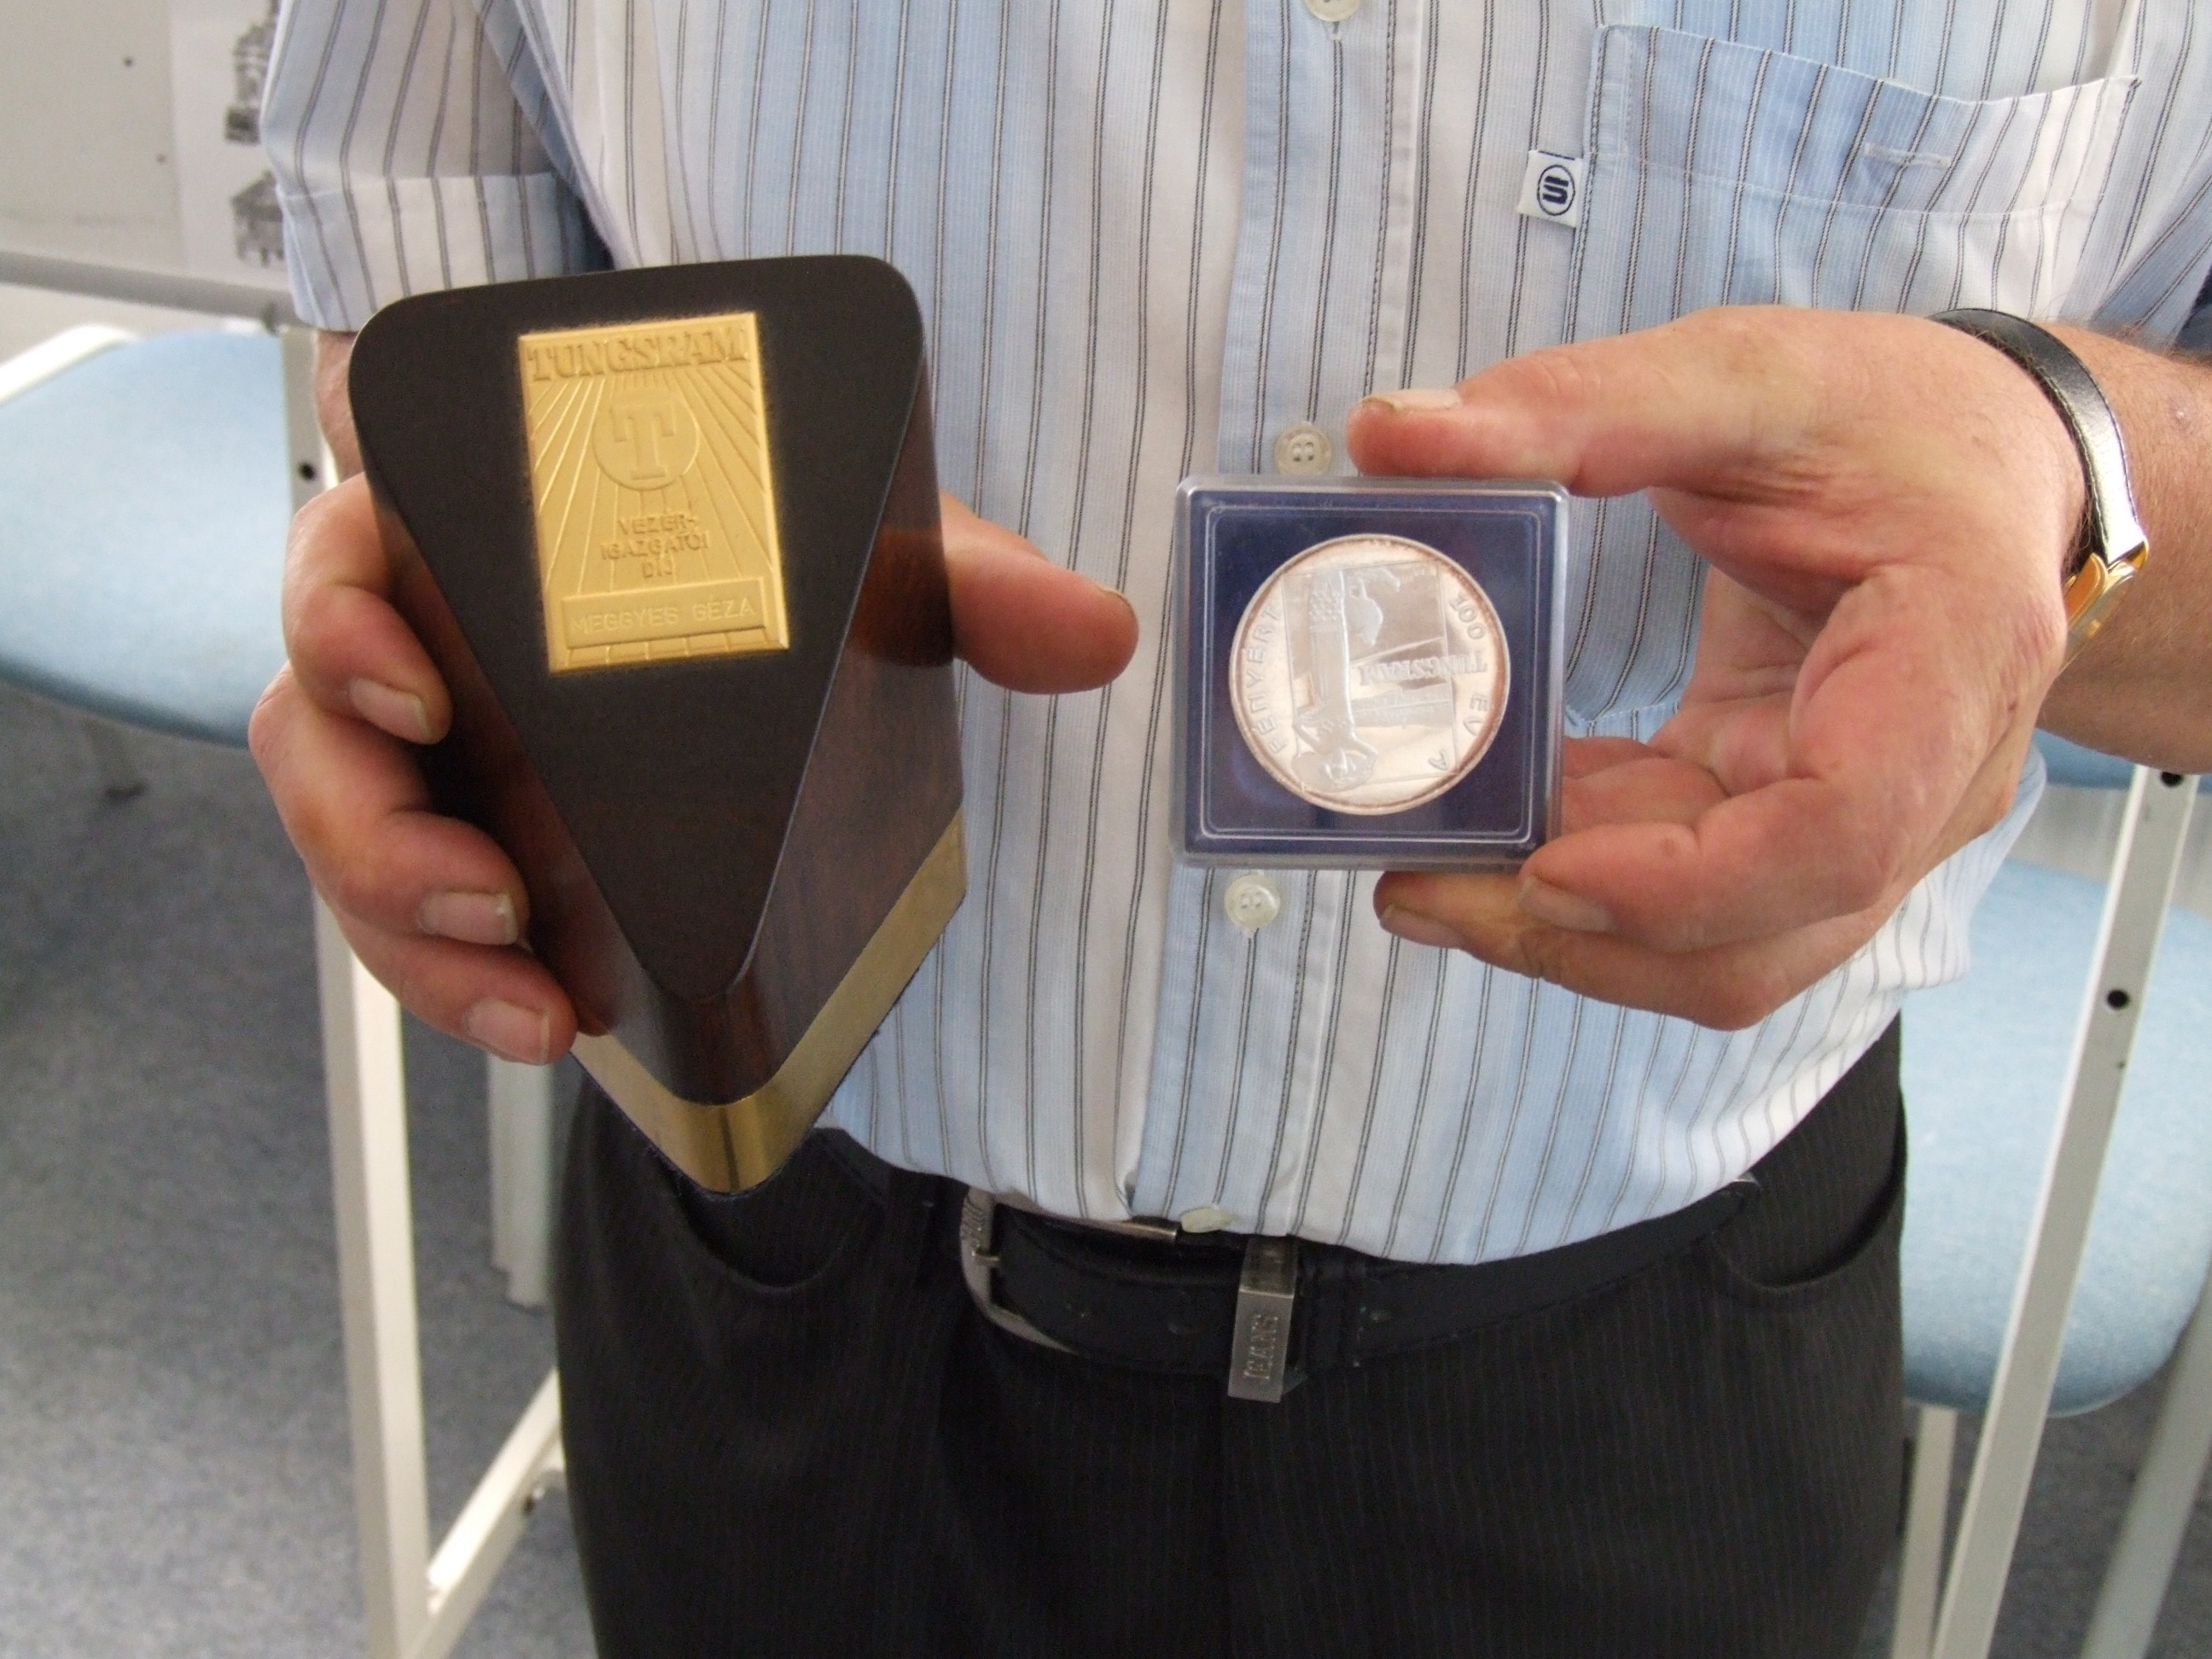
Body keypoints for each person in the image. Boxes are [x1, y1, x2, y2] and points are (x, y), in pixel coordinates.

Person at [253, 3, 2212, 1654]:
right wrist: (478, 596)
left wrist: (2069, 468)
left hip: (1646, 1356)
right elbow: (416, 239)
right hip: (791, 1286)